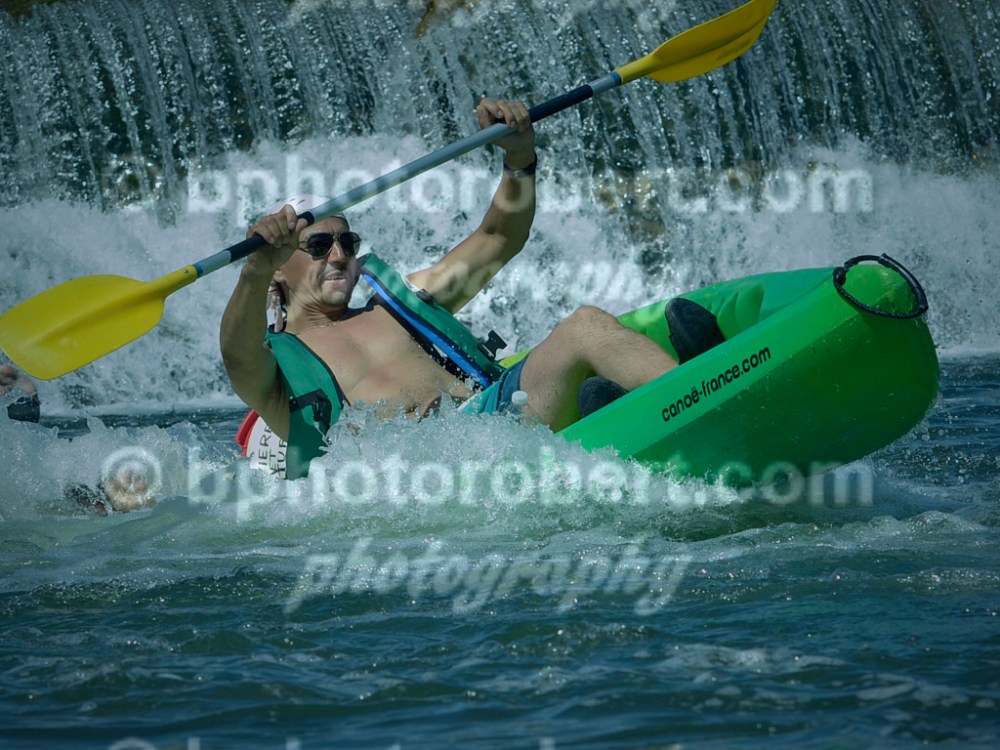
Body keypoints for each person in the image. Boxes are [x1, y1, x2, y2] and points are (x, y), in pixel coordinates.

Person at [220, 97, 689, 478]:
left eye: (348, 242)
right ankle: (611, 404)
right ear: (279, 269)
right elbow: (236, 354)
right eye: (319, 246)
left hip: (501, 422)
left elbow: (498, 238)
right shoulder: (277, 372)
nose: (339, 255)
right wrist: (254, 269)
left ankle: (692, 399)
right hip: (430, 479)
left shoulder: (401, 304)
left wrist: (519, 160)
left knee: (586, 325)